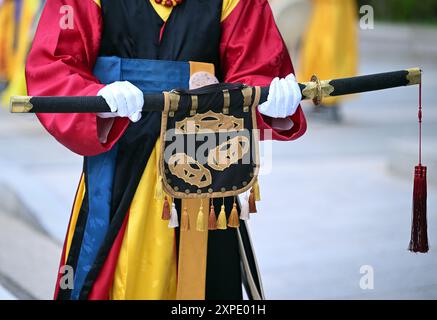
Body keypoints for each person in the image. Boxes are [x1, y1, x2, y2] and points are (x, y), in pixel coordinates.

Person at [25, 0, 306, 300]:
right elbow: (54, 64)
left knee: (204, 283)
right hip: (118, 158)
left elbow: (255, 67)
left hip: (205, 157)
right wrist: (96, 98)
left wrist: (269, 98)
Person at [298, 0, 358, 122]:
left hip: (336, 9)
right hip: (322, 8)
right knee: (314, 53)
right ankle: (320, 99)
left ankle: (332, 101)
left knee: (331, 55)